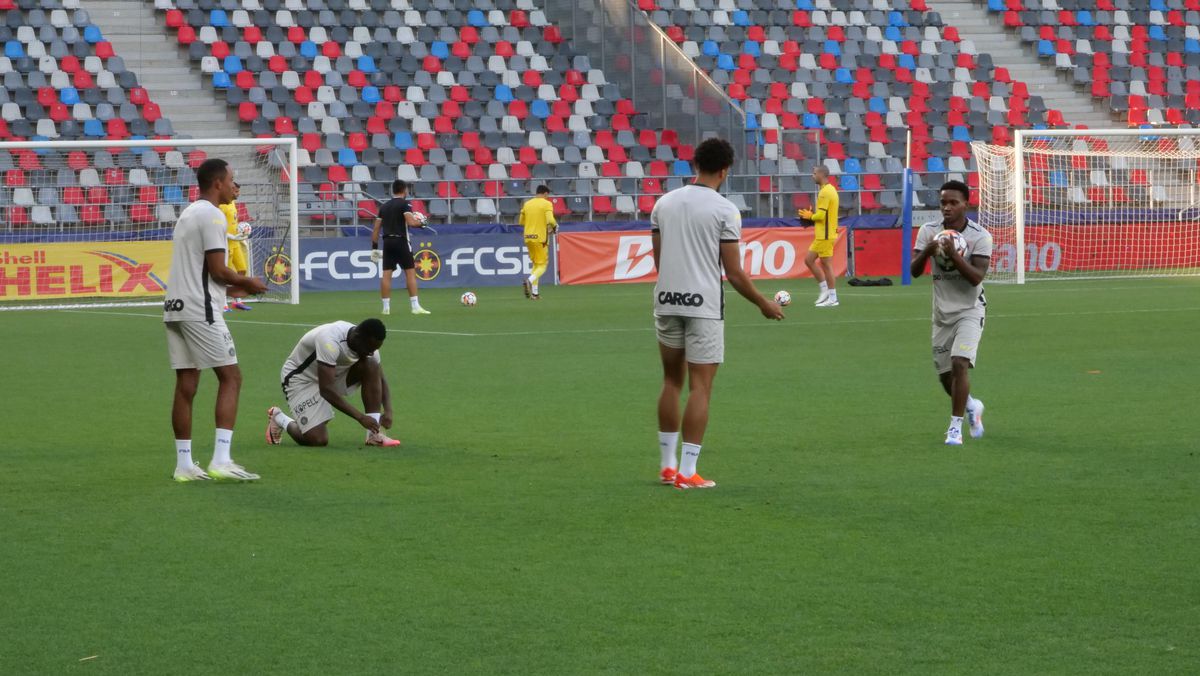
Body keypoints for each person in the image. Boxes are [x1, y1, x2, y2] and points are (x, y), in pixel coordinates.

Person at [651, 138, 785, 490]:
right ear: (725, 170)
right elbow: (735, 273)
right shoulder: (725, 210)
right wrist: (763, 304)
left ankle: (667, 466)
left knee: (670, 382)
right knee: (701, 387)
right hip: (703, 306)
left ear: (694, 164)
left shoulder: (663, 203)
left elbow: (658, 260)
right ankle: (688, 472)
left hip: (666, 299)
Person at [163, 158, 269, 482]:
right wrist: (248, 281)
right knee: (231, 378)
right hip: (200, 310)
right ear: (218, 182)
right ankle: (221, 460)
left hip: (175, 306)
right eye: (231, 179)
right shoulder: (213, 215)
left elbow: (204, 272)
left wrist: (237, 290)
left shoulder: (188, 213)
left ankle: (184, 465)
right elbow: (218, 269)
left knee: (187, 384)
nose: (234, 185)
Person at [910, 180, 991, 446]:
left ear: (966, 204)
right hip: (942, 313)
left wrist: (955, 256)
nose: (947, 207)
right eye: (943, 202)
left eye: (953, 202)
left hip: (970, 309)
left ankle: (954, 428)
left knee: (959, 364)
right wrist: (929, 252)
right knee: (946, 377)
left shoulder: (980, 236)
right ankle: (971, 405)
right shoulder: (928, 231)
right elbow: (913, 270)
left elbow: (976, 277)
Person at [265, 318, 401, 448]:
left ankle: (374, 435)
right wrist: (360, 417)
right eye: (368, 349)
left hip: (331, 375)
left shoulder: (369, 348)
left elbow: (380, 379)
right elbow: (326, 389)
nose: (371, 352)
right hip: (301, 379)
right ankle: (279, 418)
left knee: (371, 365)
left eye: (374, 349)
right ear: (357, 337)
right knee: (317, 439)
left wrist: (388, 411)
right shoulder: (329, 339)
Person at [370, 180, 430, 315]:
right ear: (404, 190)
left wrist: (374, 248)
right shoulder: (405, 204)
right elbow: (410, 222)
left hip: (387, 242)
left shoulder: (383, 207)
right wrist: (422, 223)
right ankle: (415, 306)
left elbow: (375, 229)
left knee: (386, 275)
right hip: (401, 241)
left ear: (393, 190)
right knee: (410, 273)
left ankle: (386, 308)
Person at [797, 165, 841, 307]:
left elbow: (821, 216)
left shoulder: (825, 192)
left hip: (826, 235)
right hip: (823, 234)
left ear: (822, 175)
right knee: (809, 260)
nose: (812, 175)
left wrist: (810, 216)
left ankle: (833, 298)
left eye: (814, 173)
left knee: (826, 265)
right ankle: (825, 290)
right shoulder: (829, 189)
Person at [518, 185, 558, 300]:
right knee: (543, 266)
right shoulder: (546, 204)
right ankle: (529, 281)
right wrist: (555, 227)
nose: (548, 197)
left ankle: (535, 293)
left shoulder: (527, 204)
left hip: (528, 237)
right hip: (540, 238)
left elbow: (521, 222)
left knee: (536, 264)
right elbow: (550, 220)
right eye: (547, 195)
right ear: (545, 193)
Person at [220, 181, 252, 312]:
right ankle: (222, 303)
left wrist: (240, 233)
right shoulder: (221, 205)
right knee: (225, 274)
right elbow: (217, 226)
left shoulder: (232, 202)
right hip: (225, 242)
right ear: (230, 190)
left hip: (235, 242)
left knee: (242, 270)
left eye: (239, 191)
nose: (238, 194)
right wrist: (230, 236)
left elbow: (233, 222)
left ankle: (237, 300)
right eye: (236, 191)